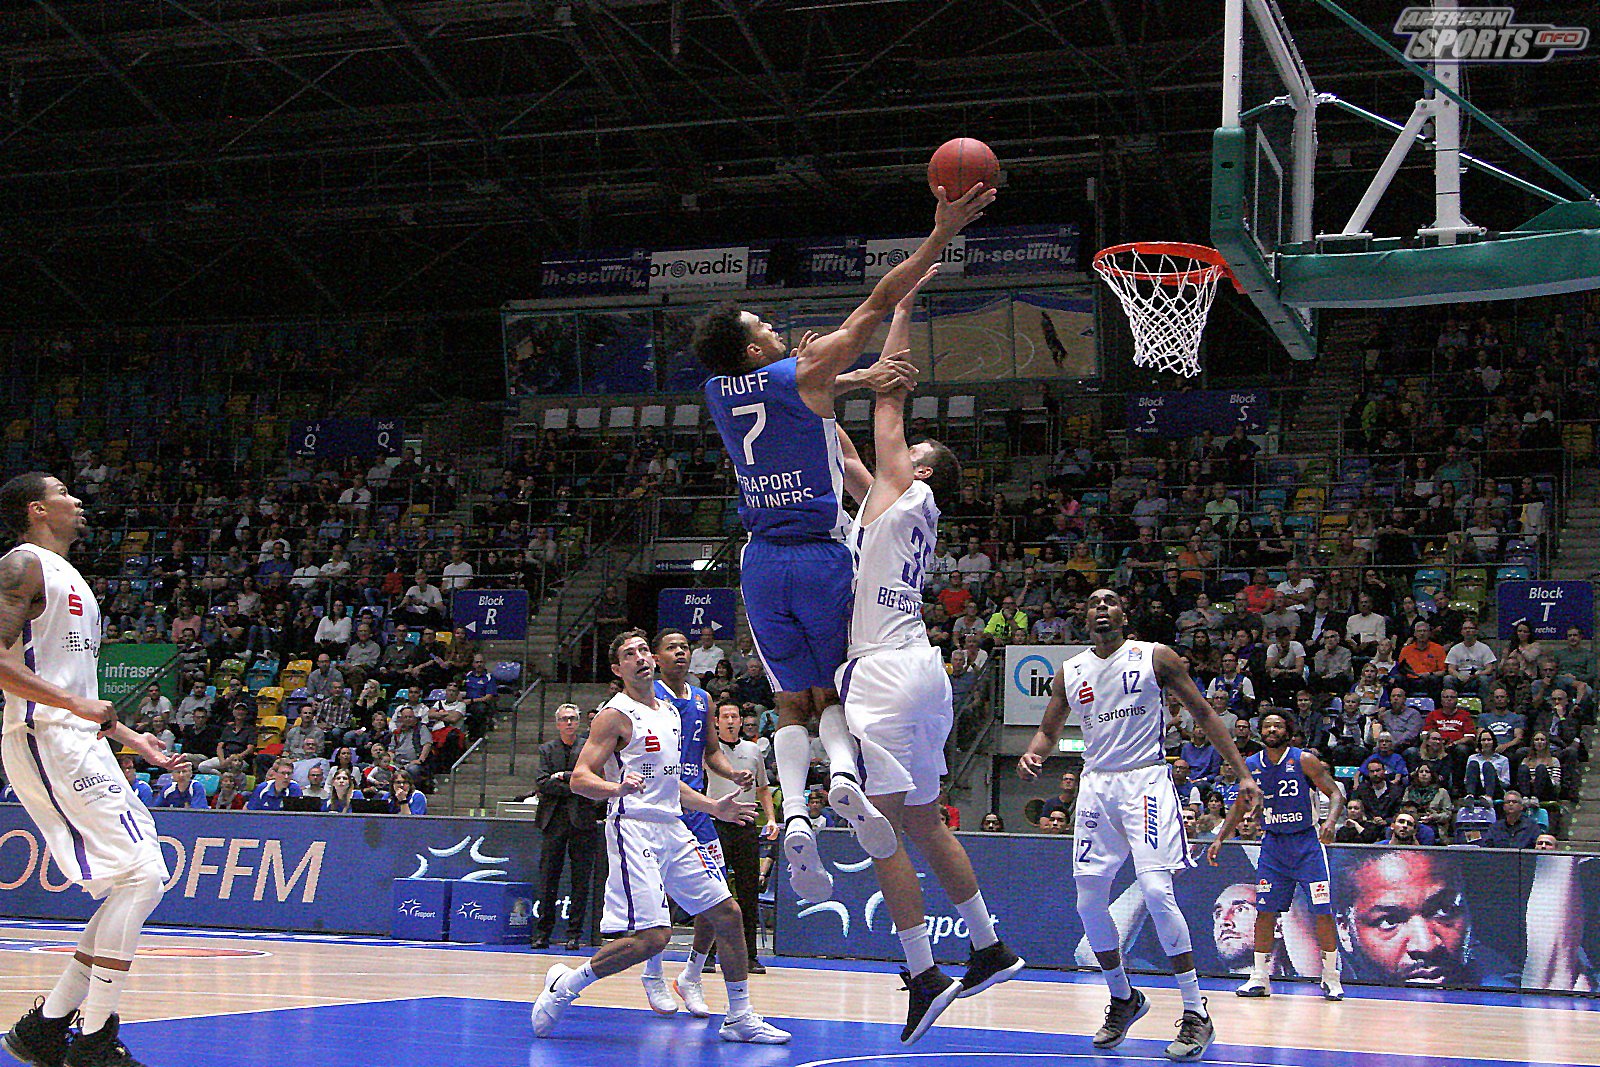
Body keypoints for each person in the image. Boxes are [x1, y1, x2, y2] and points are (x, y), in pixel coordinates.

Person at [696, 182, 992, 903]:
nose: (775, 326)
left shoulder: (716, 391)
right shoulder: (808, 379)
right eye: (764, 324)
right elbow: (874, 303)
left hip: (760, 561)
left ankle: (796, 811)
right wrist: (938, 236)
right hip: (823, 557)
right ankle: (845, 780)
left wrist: (848, 377)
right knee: (829, 693)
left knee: (787, 699)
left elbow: (813, 407)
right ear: (753, 348)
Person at [832, 333, 1025, 1044]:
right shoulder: (901, 507)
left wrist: (901, 310)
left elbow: (887, 405)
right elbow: (850, 461)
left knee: (879, 828)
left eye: (909, 452)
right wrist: (817, 398)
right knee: (923, 821)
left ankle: (923, 972)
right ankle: (989, 945)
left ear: (920, 469)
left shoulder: (909, 490)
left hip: (885, 669)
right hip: (921, 668)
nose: (895, 454)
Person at [1020, 587, 1261, 1061]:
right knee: (1089, 901)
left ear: (1123, 615)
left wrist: (1243, 773)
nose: (1101, 606)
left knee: (1155, 890)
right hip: (1096, 785)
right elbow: (1049, 730)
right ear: (1085, 617)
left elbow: (1204, 712)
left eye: (1109, 600)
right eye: (1093, 601)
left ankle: (1196, 1011)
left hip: (1145, 781)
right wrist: (1034, 753)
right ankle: (1123, 997)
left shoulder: (1155, 657)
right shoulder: (1071, 671)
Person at [0, 472, 182, 1067]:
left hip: (76, 738)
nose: (75, 500)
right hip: (45, 737)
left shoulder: (69, 574)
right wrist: (74, 706)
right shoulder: (22, 565)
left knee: (141, 877)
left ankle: (49, 1027)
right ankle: (94, 1038)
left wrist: (131, 738)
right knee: (143, 876)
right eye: (62, 493)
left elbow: (76, 686)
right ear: (37, 509)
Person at [531, 630, 788, 1044]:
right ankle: (567, 985)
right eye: (629, 654)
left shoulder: (670, 712)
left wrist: (713, 806)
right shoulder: (614, 715)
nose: (639, 658)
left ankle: (740, 1016)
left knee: (728, 914)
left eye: (642, 651)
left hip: (673, 825)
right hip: (633, 827)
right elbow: (580, 779)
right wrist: (616, 788)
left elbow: (671, 783)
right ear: (618, 669)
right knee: (653, 938)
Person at [638, 629, 763, 1015]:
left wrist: (733, 772)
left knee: (717, 896)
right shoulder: (647, 698)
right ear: (656, 657)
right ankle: (653, 972)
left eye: (685, 647)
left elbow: (711, 752)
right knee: (658, 898)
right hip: (660, 809)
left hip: (697, 811)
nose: (680, 653)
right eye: (671, 647)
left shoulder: (703, 698)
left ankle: (691, 975)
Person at [1207, 710, 1346, 1000]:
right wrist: (1221, 837)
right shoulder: (1250, 765)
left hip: (1307, 844)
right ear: (1260, 732)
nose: (1272, 730)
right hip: (1273, 846)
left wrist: (1330, 822)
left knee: (1322, 911)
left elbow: (1335, 794)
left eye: (1278, 725)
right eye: (1267, 725)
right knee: (1265, 912)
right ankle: (1259, 977)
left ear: (1288, 732)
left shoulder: (1304, 760)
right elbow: (1239, 806)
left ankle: (1331, 977)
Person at [1334, 850, 1516, 986]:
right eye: (1389, 921)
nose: (1426, 946)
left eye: (1444, 910)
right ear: (1345, 930)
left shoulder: (1500, 994)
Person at [704, 701, 778, 988]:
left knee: (748, 891)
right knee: (714, 891)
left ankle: (750, 956)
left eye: (735, 716)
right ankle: (708, 954)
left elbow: (763, 789)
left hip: (746, 824)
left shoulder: (753, 750)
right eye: (726, 716)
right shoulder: (708, 751)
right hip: (717, 824)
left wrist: (770, 819)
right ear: (717, 722)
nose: (731, 721)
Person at [531, 703, 603, 951]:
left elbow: (595, 781)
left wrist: (562, 776)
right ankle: (543, 933)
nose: (569, 722)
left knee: (580, 880)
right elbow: (543, 783)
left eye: (573, 718)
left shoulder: (589, 748)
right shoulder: (546, 749)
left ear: (579, 721)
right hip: (553, 820)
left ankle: (575, 933)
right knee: (548, 878)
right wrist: (575, 784)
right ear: (557, 723)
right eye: (565, 719)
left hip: (583, 820)